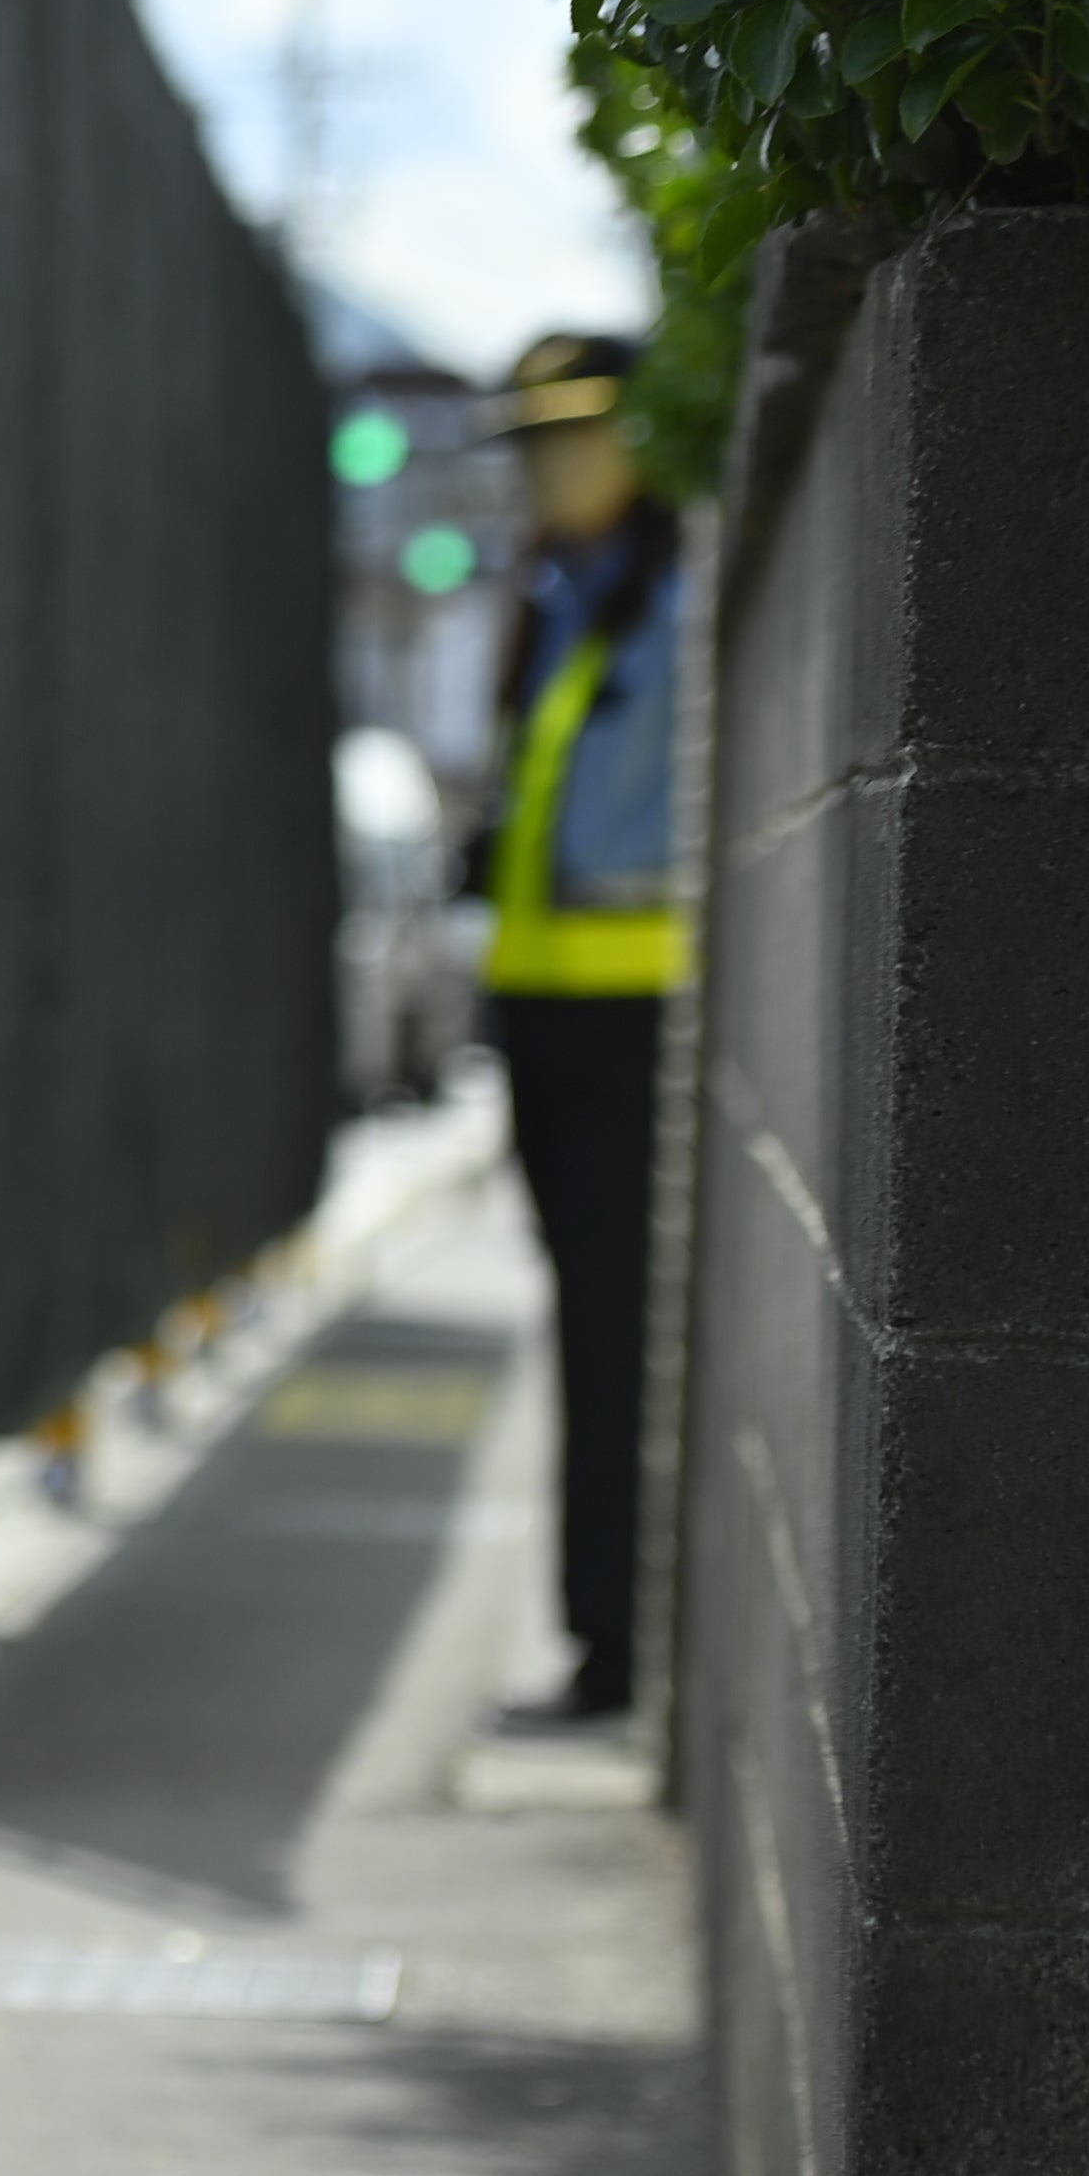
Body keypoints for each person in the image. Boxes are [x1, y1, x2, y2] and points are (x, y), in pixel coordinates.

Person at [473, 330, 681, 1723]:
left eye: (583, 433)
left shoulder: (678, 592)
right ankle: (599, 1636)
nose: (556, 463)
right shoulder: (556, 595)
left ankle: (613, 1649)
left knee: (614, 1339)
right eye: (538, 441)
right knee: (585, 1332)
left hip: (634, 1021)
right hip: (545, 1017)